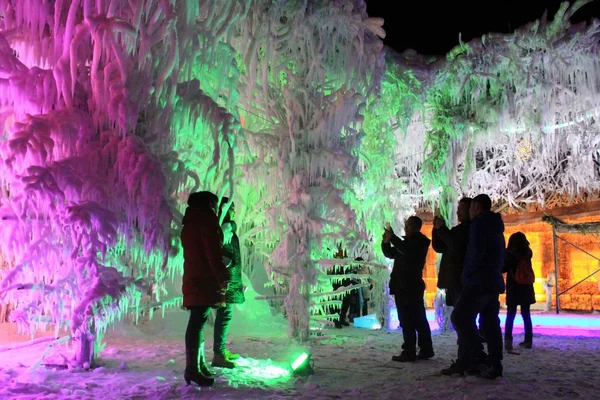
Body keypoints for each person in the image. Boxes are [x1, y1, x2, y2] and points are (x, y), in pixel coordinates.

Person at [444, 194, 505, 379]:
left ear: (477, 207)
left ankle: (479, 358)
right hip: (492, 281)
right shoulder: (496, 225)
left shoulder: (479, 225)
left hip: (478, 282)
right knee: (490, 324)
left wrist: (467, 276)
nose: (468, 212)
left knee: (460, 317)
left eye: (470, 208)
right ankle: (495, 364)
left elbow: (474, 254)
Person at [181, 191, 230, 387]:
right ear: (209, 204)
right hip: (203, 280)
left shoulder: (191, 222)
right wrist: (223, 277)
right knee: (197, 323)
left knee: (198, 322)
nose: (217, 208)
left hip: (194, 278)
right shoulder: (206, 219)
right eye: (215, 204)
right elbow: (213, 252)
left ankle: (197, 365)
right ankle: (192, 368)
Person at [382, 216, 434, 362]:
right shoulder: (405, 244)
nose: (406, 228)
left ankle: (412, 350)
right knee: (410, 319)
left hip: (410, 286)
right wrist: (386, 242)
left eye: (409, 226)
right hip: (401, 285)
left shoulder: (420, 242)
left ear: (417, 227)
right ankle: (423, 349)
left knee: (413, 319)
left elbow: (407, 251)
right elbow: (390, 253)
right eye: (406, 225)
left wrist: (393, 238)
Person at [211, 198, 246, 369]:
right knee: (224, 316)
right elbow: (220, 254)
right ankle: (218, 354)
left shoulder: (228, 228)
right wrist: (229, 266)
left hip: (229, 278)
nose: (233, 210)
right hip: (226, 280)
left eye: (233, 207)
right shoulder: (224, 229)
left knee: (226, 315)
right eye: (231, 208)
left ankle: (221, 351)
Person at [503, 232, 536, 350]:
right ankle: (528, 340)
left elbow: (503, 268)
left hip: (514, 287)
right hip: (526, 287)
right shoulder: (528, 253)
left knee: (510, 314)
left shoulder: (510, 254)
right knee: (526, 314)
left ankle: (508, 340)